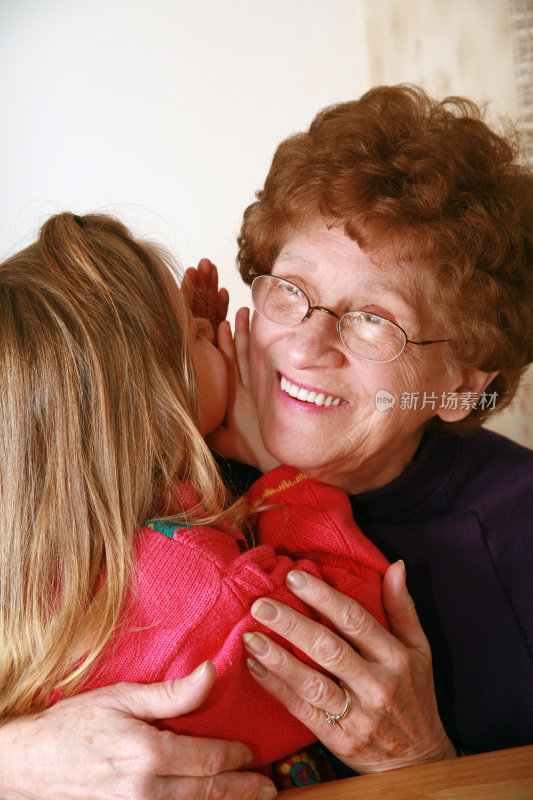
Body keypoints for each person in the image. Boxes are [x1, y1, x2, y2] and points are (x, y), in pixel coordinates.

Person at [1, 82, 532, 797]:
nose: (307, 344)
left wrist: (422, 764)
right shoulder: (138, 465)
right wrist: (24, 760)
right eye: (290, 288)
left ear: (463, 379)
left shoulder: (518, 526)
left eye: (375, 317)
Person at [0, 211, 391, 796]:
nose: (224, 341)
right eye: (199, 336)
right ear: (157, 403)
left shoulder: (41, 568)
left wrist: (188, 370)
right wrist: (286, 477)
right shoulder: (207, 589)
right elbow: (353, 620)